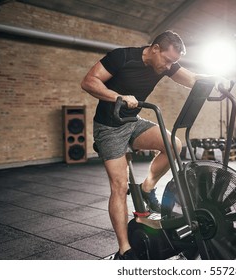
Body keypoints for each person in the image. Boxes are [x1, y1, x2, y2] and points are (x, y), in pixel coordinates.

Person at [81, 30, 224, 260]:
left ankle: (147, 187)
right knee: (118, 186)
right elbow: (89, 81)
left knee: (174, 145)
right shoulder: (122, 57)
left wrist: (217, 81)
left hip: (132, 122)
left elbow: (193, 79)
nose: (169, 67)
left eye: (173, 63)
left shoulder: (164, 65)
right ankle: (124, 249)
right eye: (167, 61)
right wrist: (118, 96)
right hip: (109, 127)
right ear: (155, 48)